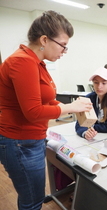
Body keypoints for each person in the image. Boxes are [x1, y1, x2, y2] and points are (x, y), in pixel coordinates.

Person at [0, 10, 92, 210]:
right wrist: (69, 107)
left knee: (30, 197)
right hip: (20, 142)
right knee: (32, 201)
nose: (63, 52)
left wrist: (69, 106)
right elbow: (32, 112)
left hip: (29, 139)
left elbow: (45, 100)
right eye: (63, 46)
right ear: (44, 39)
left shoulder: (37, 63)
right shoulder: (23, 61)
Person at [75, 67, 107, 140]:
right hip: (96, 137)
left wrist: (90, 126)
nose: (99, 86)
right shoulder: (89, 98)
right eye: (96, 82)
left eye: (104, 83)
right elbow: (80, 123)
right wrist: (85, 133)